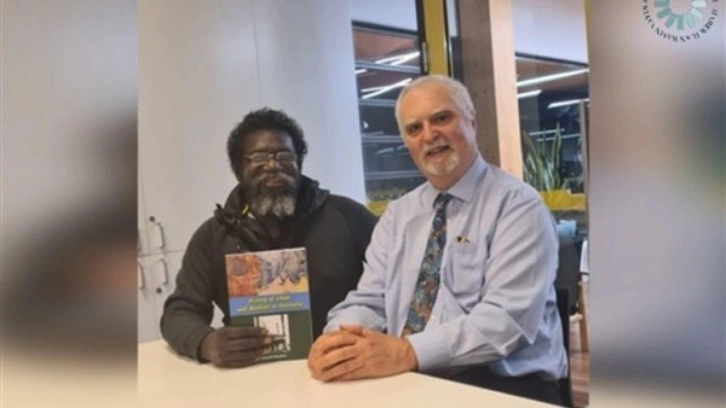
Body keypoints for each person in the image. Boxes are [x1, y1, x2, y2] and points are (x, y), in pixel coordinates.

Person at [307, 75, 567, 405]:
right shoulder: (398, 215)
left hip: (506, 387)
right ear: (406, 142)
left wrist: (406, 352)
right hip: (414, 379)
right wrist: (338, 342)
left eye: (441, 118)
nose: (429, 135)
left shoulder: (518, 206)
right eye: (414, 128)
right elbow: (370, 300)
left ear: (472, 121)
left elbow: (506, 321)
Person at [161, 108, 377, 368]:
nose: (274, 166)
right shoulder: (213, 236)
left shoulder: (347, 217)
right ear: (239, 169)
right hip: (252, 373)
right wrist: (206, 343)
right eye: (259, 157)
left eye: (285, 156)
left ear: (299, 163)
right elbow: (179, 312)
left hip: (342, 366)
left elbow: (398, 282)